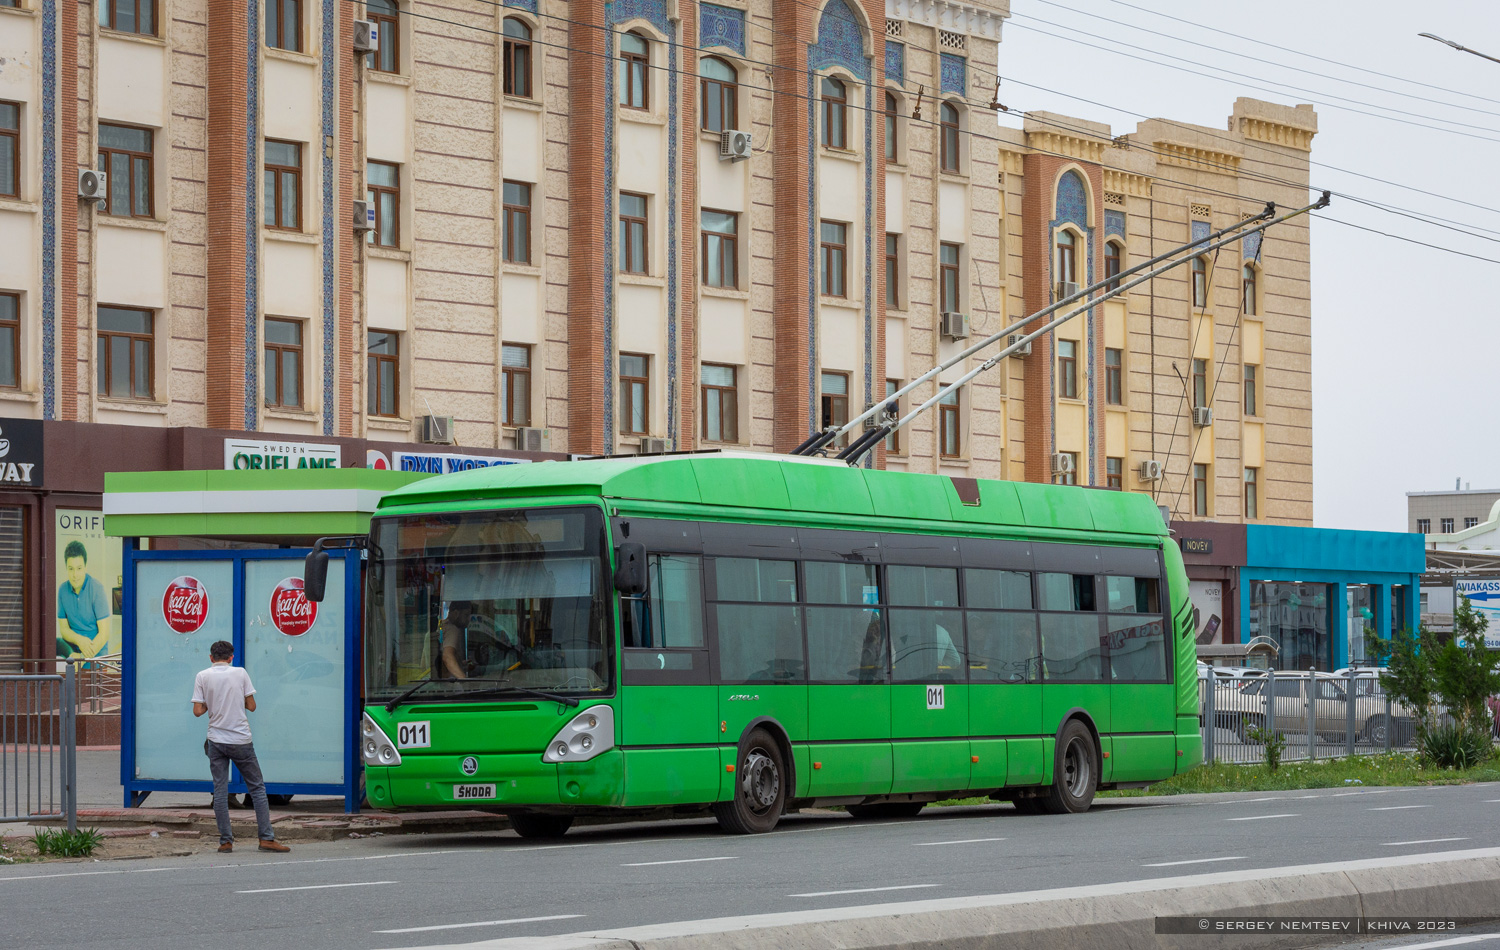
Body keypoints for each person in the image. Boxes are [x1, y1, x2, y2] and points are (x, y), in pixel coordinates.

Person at [191, 640, 290, 854]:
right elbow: (252, 706)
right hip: (240, 740)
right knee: (257, 788)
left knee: (220, 790)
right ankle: (266, 838)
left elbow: (198, 711)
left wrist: (211, 702)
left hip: (216, 740)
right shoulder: (240, 673)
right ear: (231, 657)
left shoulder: (202, 676)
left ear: (211, 658)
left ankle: (226, 841)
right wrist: (238, 700)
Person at [57, 540, 111, 660]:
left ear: (85, 567)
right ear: (66, 568)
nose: (75, 574)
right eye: (71, 569)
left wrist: (82, 657)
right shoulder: (62, 590)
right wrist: (80, 641)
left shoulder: (97, 589)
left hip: (96, 659)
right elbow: (64, 629)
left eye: (79, 568)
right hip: (72, 656)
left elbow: (104, 633)